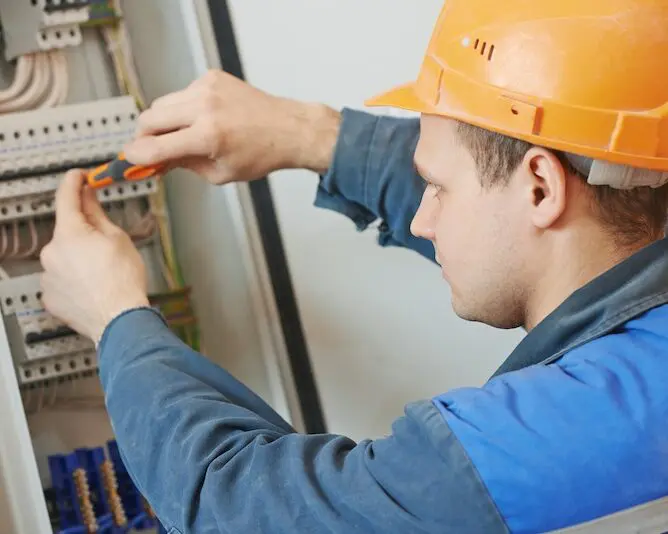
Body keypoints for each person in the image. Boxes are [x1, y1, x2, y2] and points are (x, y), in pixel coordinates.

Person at [39, 1, 668, 532]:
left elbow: (246, 508)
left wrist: (115, 318)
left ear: (540, 188)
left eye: (437, 188)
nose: (423, 220)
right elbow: (497, 199)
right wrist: (306, 134)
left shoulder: (604, 421)